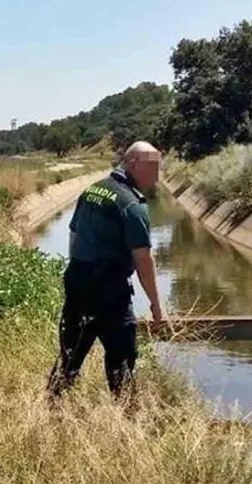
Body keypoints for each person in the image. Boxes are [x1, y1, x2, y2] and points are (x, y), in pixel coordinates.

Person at [47, 141, 164, 403]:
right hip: (109, 293)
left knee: (70, 356)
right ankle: (124, 419)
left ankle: (51, 412)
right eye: (152, 168)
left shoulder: (92, 190)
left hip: (78, 284)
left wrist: (79, 270)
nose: (157, 176)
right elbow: (143, 260)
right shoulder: (132, 205)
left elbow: (74, 235)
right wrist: (156, 307)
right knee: (122, 361)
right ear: (132, 163)